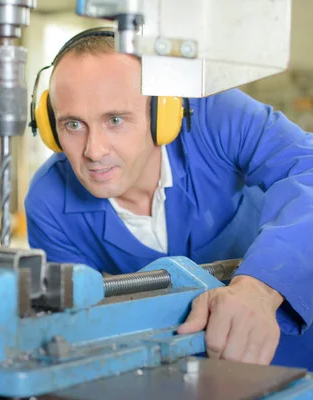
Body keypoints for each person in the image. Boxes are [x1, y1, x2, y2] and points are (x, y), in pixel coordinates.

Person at [25, 28, 313, 370]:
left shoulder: (214, 117)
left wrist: (261, 287)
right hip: (165, 371)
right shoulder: (49, 202)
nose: (94, 151)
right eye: (73, 125)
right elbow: (79, 337)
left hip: (295, 348)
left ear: (164, 113)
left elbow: (306, 168)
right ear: (49, 126)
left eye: (115, 120)